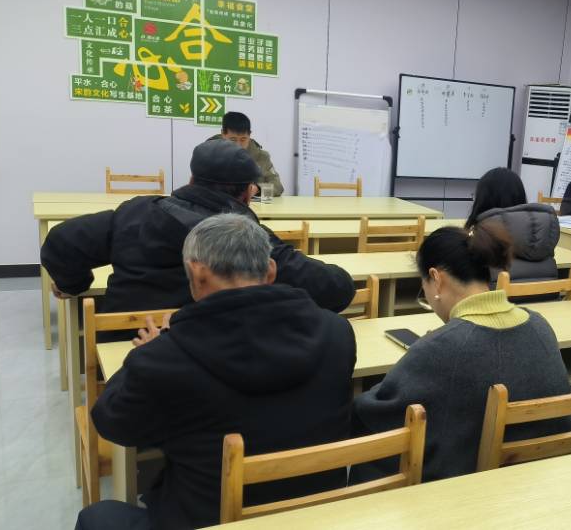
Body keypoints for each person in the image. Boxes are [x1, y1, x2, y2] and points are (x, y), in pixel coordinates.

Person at [74, 214, 356, 530]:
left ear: (197, 272)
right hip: (315, 516)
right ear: (271, 271)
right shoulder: (337, 332)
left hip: (209, 520)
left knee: (95, 517)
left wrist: (145, 352)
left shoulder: (165, 357)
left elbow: (113, 423)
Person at [351, 222, 571, 482]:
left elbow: (376, 413)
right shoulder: (539, 325)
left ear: (437, 279)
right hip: (546, 478)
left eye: (424, 287)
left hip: (472, 488)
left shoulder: (442, 347)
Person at [41, 140, 355, 322]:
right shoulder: (247, 240)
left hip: (125, 344)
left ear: (191, 179)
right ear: (248, 194)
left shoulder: (135, 211)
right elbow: (335, 289)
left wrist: (74, 285)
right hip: (211, 354)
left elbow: (60, 241)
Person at [466, 167, 560, 284]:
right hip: (547, 295)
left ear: (483, 200)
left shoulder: (480, 240)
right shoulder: (545, 233)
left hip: (495, 295)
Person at [209, 111, 285, 196]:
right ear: (223, 134)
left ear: (249, 135)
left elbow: (278, 187)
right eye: (233, 140)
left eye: (243, 139)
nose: (238, 145)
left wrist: (258, 189)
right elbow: (200, 187)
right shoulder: (209, 154)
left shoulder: (261, 157)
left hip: (251, 204)